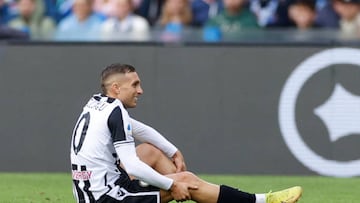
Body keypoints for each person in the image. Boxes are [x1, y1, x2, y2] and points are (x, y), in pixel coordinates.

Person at [70, 63, 303, 203]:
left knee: (150, 152)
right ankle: (262, 201)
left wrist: (173, 150)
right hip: (108, 198)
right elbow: (132, 167)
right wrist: (172, 185)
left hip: (89, 191)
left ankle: (194, 195)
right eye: (135, 85)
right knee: (186, 180)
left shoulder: (98, 103)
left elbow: (142, 130)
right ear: (116, 88)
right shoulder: (116, 111)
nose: (140, 90)